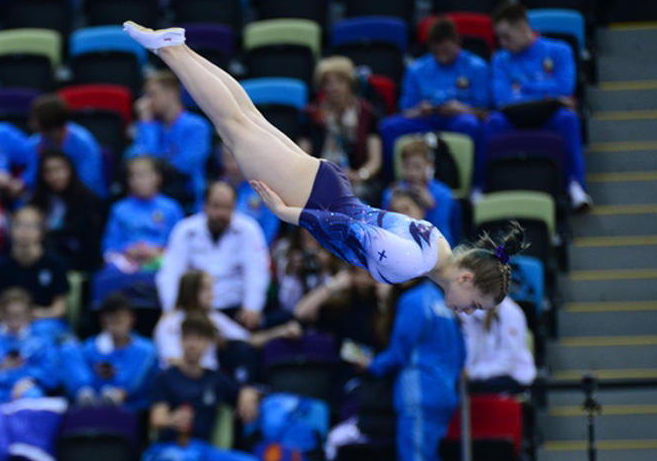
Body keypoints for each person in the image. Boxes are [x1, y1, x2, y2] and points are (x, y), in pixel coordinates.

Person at [121, 22, 528, 315]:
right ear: (466, 280)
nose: (469, 312)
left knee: (243, 118)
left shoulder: (437, 245)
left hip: (328, 186)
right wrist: (289, 215)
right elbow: (346, 228)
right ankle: (170, 50)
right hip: (317, 196)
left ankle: (181, 49)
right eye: (475, 305)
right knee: (234, 124)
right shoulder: (414, 263)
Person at [361, 277, 466, 461]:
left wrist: (370, 365)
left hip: (418, 393)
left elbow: (399, 353)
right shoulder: (443, 300)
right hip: (444, 392)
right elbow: (462, 354)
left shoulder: (412, 301)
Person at [485, 2, 592, 210]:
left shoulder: (559, 50)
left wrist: (522, 88)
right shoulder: (500, 59)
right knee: (492, 123)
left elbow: (564, 88)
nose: (502, 43)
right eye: (499, 38)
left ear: (523, 28)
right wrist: (545, 92)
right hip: (514, 116)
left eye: (506, 37)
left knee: (568, 119)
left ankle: (575, 185)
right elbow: (501, 98)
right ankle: (484, 187)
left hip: (549, 114)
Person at [142, 314, 262, 461]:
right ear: (180, 341)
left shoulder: (216, 379)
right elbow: (157, 419)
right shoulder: (165, 378)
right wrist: (172, 419)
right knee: (185, 460)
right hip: (167, 448)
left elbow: (242, 391)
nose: (192, 344)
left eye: (198, 339)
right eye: (187, 338)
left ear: (208, 343)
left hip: (203, 449)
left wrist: (247, 392)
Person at [157, 180, 270, 331]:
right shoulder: (185, 229)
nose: (220, 214)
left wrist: (252, 307)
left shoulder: (249, 229)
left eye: (226, 207)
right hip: (193, 310)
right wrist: (170, 309)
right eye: (216, 206)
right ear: (204, 205)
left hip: (234, 309)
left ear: (234, 206)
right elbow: (170, 271)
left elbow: (257, 271)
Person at [380, 17, 490, 171]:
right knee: (389, 127)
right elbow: (405, 111)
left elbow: (484, 111)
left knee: (470, 125)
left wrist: (462, 109)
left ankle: (475, 184)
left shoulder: (477, 67)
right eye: (435, 51)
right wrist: (420, 110)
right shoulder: (416, 69)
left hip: (458, 118)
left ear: (457, 42)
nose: (441, 56)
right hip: (426, 119)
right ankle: (393, 180)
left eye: (445, 50)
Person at [126, 71, 212, 207]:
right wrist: (147, 125)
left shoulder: (197, 126)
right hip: (153, 197)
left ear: (171, 93)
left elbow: (184, 167)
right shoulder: (149, 126)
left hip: (186, 195)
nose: (146, 102)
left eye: (152, 94)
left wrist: (156, 165)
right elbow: (139, 160)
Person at [305, 56, 383, 202]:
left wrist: (359, 175)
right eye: (327, 82)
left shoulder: (367, 113)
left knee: (356, 195)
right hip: (320, 178)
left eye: (340, 82)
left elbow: (375, 160)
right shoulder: (312, 115)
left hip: (357, 179)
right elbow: (303, 155)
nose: (333, 88)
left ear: (350, 83)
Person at [0, 205, 70, 330]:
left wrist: (34, 315)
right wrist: (16, 320)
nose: (25, 231)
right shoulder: (0, 267)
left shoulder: (55, 264)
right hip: (11, 324)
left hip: (44, 322)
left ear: (41, 232)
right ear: (11, 230)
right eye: (19, 225)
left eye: (31, 226)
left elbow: (60, 308)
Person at [101, 156, 184, 275]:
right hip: (128, 259)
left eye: (144, 175)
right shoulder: (119, 209)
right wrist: (128, 249)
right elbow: (109, 245)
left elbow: (179, 242)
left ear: (158, 177)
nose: (138, 181)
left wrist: (157, 250)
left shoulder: (171, 208)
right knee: (111, 265)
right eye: (133, 176)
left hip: (160, 257)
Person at [75, 292, 157, 408]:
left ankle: (116, 395)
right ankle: (82, 392)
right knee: (68, 349)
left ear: (131, 319)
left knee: (146, 352)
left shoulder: (146, 349)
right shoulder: (91, 346)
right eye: (110, 321)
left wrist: (117, 376)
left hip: (132, 406)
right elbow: (84, 374)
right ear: (103, 321)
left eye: (119, 320)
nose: (115, 326)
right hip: (94, 400)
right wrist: (97, 374)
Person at [29, 150, 105, 272]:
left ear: (70, 170)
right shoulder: (38, 200)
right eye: (48, 171)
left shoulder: (87, 199)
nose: (55, 176)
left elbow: (86, 236)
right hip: (42, 257)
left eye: (59, 170)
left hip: (77, 259)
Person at [23, 94, 104, 196]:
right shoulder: (37, 142)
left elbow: (88, 182)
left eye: (34, 119)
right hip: (51, 197)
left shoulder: (83, 143)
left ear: (49, 124)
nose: (30, 124)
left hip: (83, 197)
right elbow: (32, 175)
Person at [382, 137, 458, 245]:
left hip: (437, 246)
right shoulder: (391, 193)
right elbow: (386, 228)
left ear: (429, 166)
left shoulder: (443, 194)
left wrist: (431, 207)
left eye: (417, 167)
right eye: (406, 166)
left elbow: (441, 233)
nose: (412, 173)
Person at [461, 296, 537, 392]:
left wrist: (471, 373)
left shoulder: (511, 312)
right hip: (480, 374)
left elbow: (508, 361)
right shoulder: (467, 310)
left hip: (513, 376)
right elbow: (470, 349)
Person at [218, 145, 279, 244]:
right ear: (222, 160)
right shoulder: (216, 191)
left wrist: (258, 250)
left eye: (237, 159)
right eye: (229, 158)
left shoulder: (262, 189)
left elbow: (270, 226)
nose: (234, 165)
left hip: (253, 249)